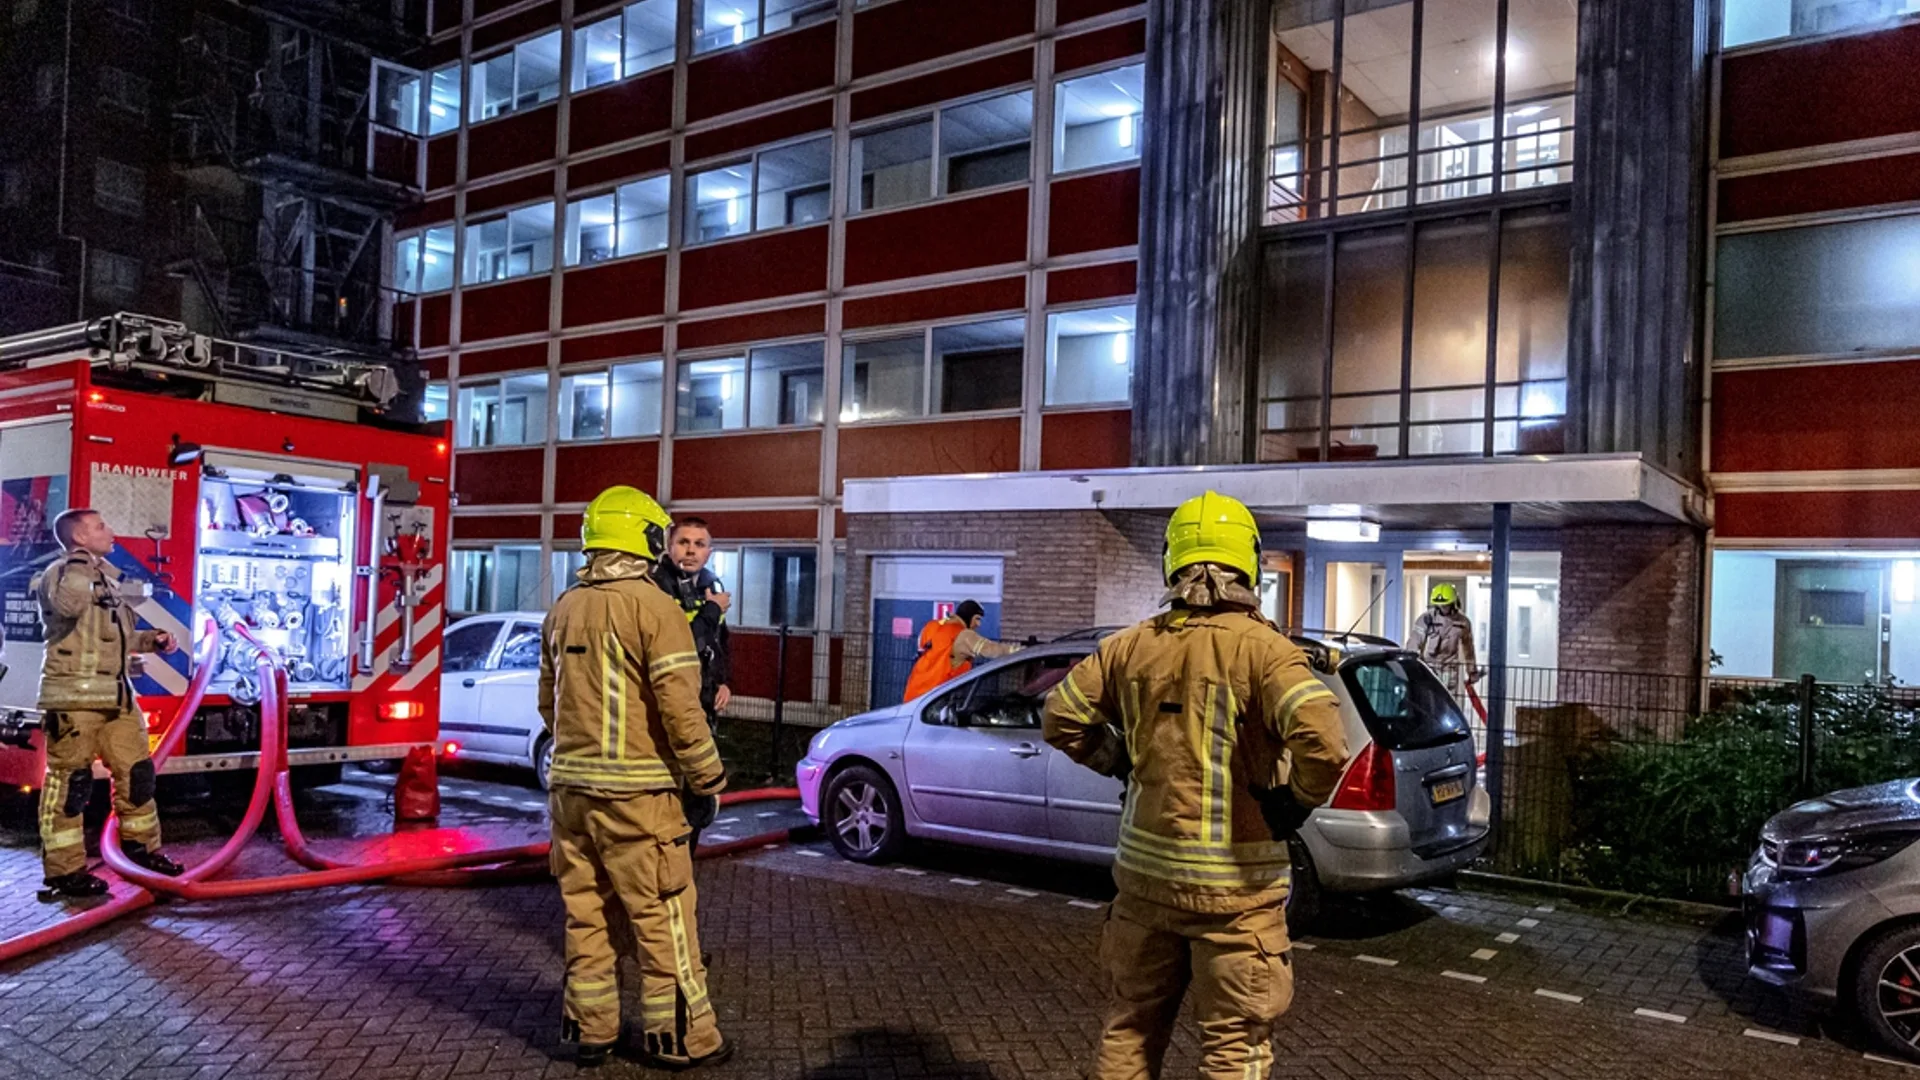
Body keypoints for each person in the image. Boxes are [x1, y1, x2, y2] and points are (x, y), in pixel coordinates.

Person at [1042, 491, 1350, 1080]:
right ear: (1250, 562)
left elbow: (1060, 715)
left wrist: (1118, 759)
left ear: (1171, 561)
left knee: (1128, 1031)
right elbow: (1326, 744)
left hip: (1142, 886)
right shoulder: (1267, 652)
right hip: (1238, 901)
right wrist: (1297, 801)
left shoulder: (1128, 646)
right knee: (1234, 1052)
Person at [539, 486, 732, 1070]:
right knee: (663, 919)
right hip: (640, 799)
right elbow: (681, 708)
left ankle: (588, 1030)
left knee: (586, 916)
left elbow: (549, 706)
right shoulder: (656, 609)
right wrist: (707, 777)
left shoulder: (564, 607)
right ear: (647, 539)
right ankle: (681, 1037)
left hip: (570, 796)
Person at [34, 508, 184, 901]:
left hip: (117, 700)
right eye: (100, 526)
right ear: (79, 538)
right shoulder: (64, 574)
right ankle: (65, 873)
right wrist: (81, 560)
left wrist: (155, 640)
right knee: (71, 786)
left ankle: (142, 850)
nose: (111, 531)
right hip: (73, 702)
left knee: (138, 775)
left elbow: (117, 636)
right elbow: (68, 607)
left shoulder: (104, 578)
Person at [650, 517, 732, 724]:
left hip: (703, 697)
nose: (691, 551)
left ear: (708, 553)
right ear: (669, 548)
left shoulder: (712, 584)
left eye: (699, 544)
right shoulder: (654, 586)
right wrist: (712, 609)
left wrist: (723, 682)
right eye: (683, 542)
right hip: (664, 698)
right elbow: (677, 645)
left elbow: (719, 640)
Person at [901, 599, 1020, 702]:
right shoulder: (963, 635)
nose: (978, 624)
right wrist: (1022, 651)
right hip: (935, 701)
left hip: (913, 697)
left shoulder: (930, 627)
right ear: (968, 616)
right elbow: (992, 650)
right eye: (977, 619)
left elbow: (922, 652)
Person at [1409, 582, 1480, 698]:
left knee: (1448, 702)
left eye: (1446, 605)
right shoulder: (1425, 620)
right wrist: (1412, 666)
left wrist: (1472, 671)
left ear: (1453, 603)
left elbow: (1468, 648)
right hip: (1429, 667)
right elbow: (1414, 642)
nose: (1443, 608)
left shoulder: (1463, 622)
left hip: (1450, 668)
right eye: (1440, 605)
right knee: (1428, 699)